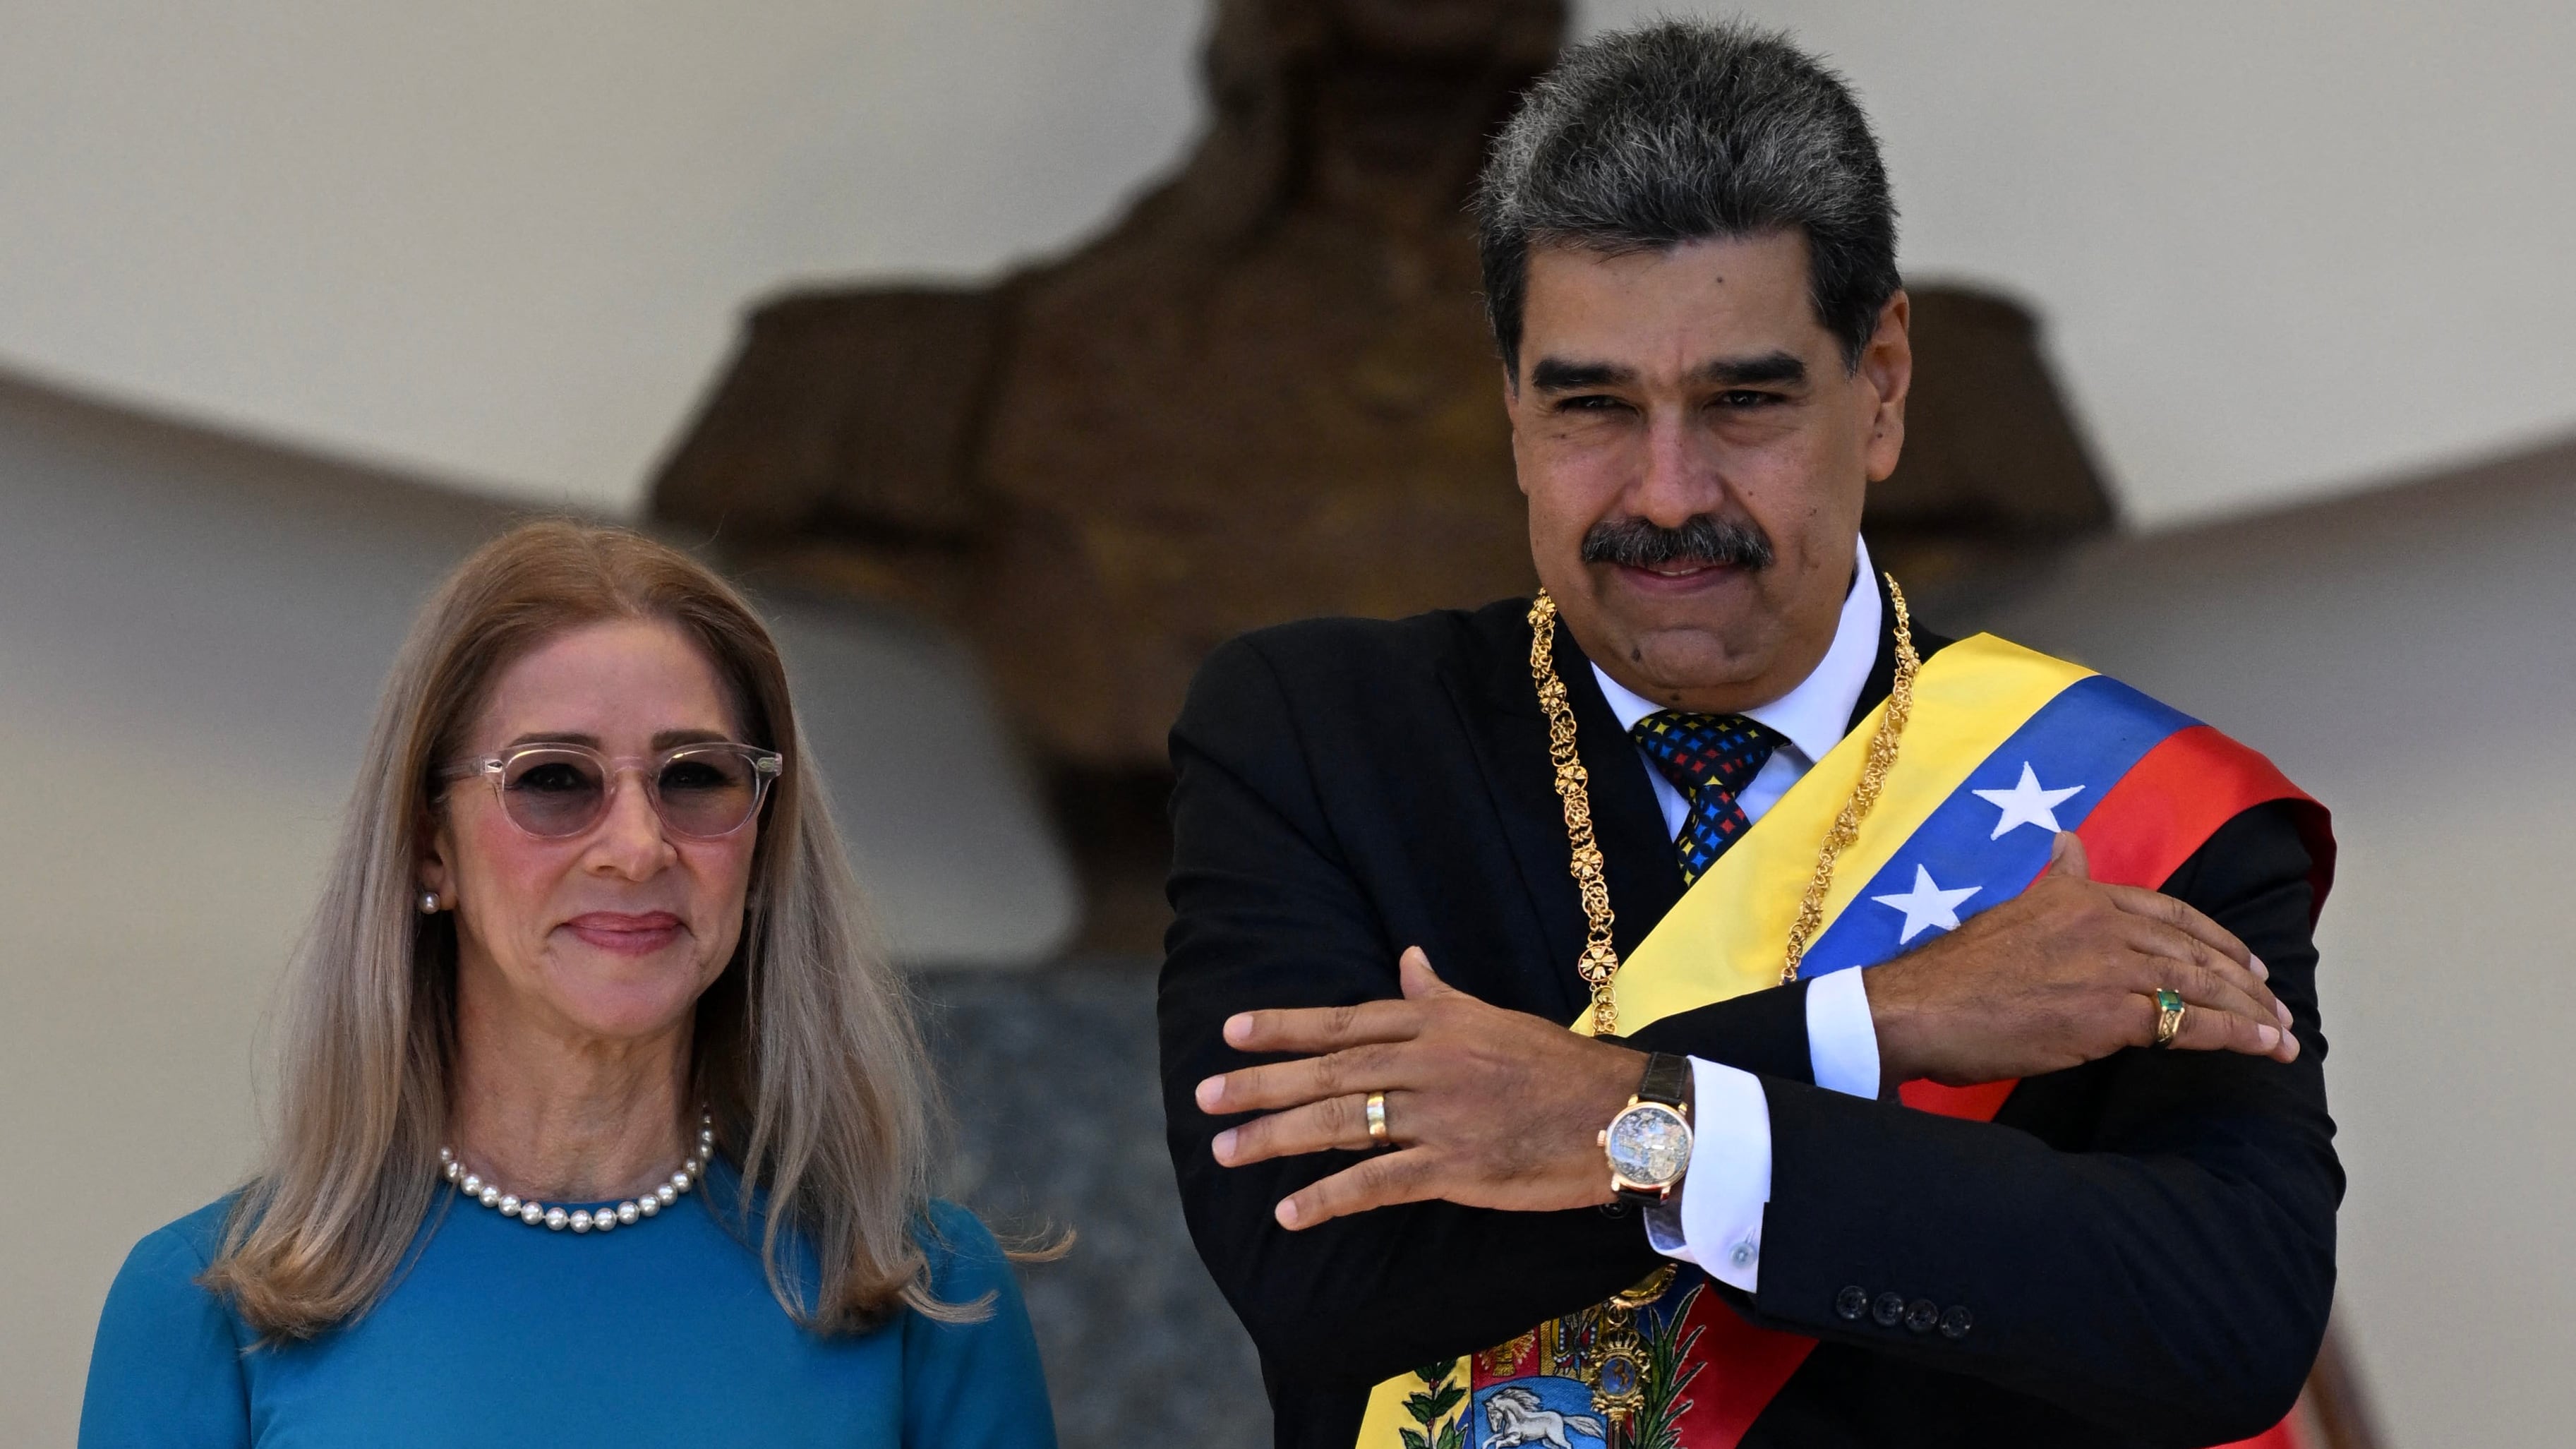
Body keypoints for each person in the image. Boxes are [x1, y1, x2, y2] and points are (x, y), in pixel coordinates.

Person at [1159, 19, 2337, 1449]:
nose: (1666, 493)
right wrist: (1874, 1023)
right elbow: (1315, 1267)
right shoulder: (1317, 735)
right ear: (1512, 408)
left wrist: (1635, 1122)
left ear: (1880, 385)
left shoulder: (2130, 810)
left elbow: (2229, 1320)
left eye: (1742, 402)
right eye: (1592, 405)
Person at [80, 522, 1057, 1446]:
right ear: (429, 847)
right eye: (553, 779)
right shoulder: (203, 1309)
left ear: (763, 843)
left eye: (695, 776)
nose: (637, 846)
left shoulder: (928, 1294)